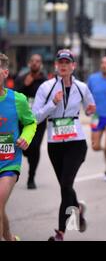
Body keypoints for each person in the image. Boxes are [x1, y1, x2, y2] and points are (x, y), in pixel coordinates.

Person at [32, 49, 96, 241]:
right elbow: (35, 117)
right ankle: (77, 208)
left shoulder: (82, 87)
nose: (64, 65)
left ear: (73, 66)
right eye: (60, 62)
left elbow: (90, 108)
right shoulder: (46, 87)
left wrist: (91, 110)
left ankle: (60, 233)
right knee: (65, 186)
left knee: (66, 185)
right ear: (56, 66)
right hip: (55, 143)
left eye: (67, 62)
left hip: (76, 142)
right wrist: (53, 103)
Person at [0, 53, 37, 241]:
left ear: (5, 73)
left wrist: (25, 137)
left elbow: (31, 123)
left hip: (8, 162)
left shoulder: (17, 99)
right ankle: (9, 238)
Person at [13, 54, 47, 189]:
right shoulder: (21, 79)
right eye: (32, 61)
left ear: (41, 64)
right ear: (29, 63)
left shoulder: (45, 82)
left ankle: (31, 177)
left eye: (37, 61)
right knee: (23, 147)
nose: (35, 63)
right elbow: (13, 95)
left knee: (35, 148)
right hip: (21, 120)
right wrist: (24, 85)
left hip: (38, 121)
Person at [87, 56, 106, 182]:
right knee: (95, 146)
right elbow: (86, 95)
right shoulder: (93, 79)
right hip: (96, 116)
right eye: (102, 62)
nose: (104, 65)